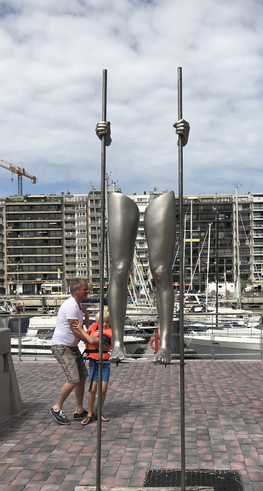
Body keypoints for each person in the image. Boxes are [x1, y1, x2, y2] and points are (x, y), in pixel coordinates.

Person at [95, 118, 189, 365]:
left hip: (163, 193)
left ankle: (165, 344)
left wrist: (183, 139)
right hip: (118, 194)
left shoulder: (162, 103)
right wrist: (104, 140)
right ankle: (117, 343)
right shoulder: (122, 103)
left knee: (161, 271)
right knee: (119, 269)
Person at [49, 278, 90, 425]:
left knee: (82, 376)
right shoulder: (71, 305)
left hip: (72, 347)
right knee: (73, 378)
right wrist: (91, 342)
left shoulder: (78, 306)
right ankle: (56, 408)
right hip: (62, 346)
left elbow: (82, 328)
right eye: (85, 289)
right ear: (75, 291)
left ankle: (79, 410)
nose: (87, 292)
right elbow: (76, 331)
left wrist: (86, 315)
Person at [72, 309, 112, 426]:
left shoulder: (106, 335)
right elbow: (90, 327)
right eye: (102, 322)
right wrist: (85, 314)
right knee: (93, 389)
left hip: (104, 362)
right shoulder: (95, 327)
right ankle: (90, 414)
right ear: (98, 322)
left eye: (107, 322)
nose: (105, 324)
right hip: (94, 362)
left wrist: (80, 330)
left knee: (103, 389)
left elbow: (92, 340)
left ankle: (98, 412)